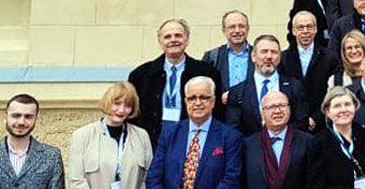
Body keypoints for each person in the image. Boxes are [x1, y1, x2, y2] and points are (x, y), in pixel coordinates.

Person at [127, 18, 221, 148]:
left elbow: (217, 111)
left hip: (194, 142)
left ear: (187, 40)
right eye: (167, 37)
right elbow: (132, 114)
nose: (173, 40)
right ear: (160, 42)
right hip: (151, 142)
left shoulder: (206, 73)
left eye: (178, 35)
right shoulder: (141, 75)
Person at [225, 34, 307, 139]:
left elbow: (301, 124)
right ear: (253, 56)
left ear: (279, 57)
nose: (269, 56)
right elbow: (233, 129)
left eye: (274, 52)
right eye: (264, 51)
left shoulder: (295, 87)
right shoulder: (238, 92)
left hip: (288, 149)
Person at [280, 10, 334, 132]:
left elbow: (332, 94)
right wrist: (299, 120)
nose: (305, 31)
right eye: (300, 27)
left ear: (315, 29)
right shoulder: (283, 59)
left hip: (322, 124)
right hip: (291, 125)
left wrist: (315, 118)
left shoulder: (329, 58)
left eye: (309, 27)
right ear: (293, 31)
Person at [202, 10, 253, 105]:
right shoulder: (212, 57)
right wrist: (218, 98)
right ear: (224, 31)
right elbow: (203, 89)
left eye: (241, 26)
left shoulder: (259, 55)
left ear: (248, 29)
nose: (237, 31)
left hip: (252, 114)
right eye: (232, 27)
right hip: (223, 115)